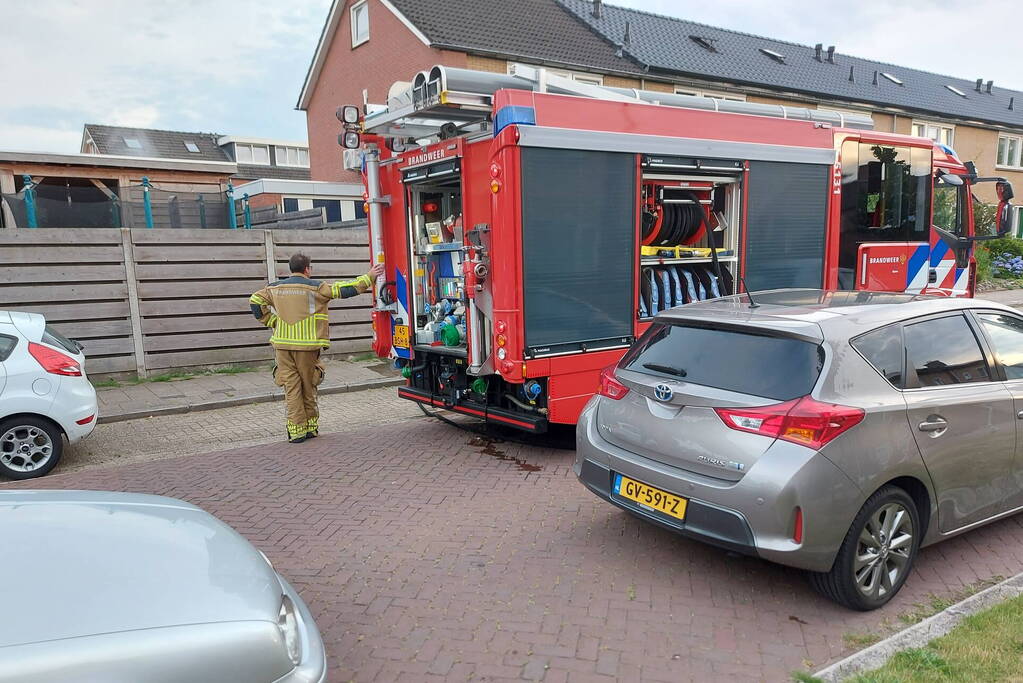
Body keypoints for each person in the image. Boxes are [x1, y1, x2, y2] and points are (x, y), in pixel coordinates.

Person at [249, 253, 384, 443]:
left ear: (290, 268)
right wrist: (369, 276)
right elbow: (345, 289)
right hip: (306, 347)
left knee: (291, 388)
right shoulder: (316, 287)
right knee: (308, 386)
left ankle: (296, 432)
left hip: (282, 346)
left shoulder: (274, 288)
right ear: (307, 269)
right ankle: (311, 428)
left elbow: (255, 301)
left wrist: (270, 321)